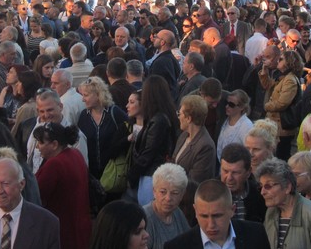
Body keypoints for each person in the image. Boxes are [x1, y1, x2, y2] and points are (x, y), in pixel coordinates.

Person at [156, 179, 280, 249]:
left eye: (217, 216)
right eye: (204, 216)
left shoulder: (255, 235)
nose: (211, 225)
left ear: (232, 210)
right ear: (195, 211)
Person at [33, 123, 91, 249]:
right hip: (78, 236)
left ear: (55, 144)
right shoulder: (75, 155)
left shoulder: (54, 165)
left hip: (60, 240)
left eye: (41, 143)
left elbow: (37, 196)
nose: (38, 147)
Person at [129, 75, 178, 205]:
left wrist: (133, 174)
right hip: (153, 173)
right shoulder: (162, 116)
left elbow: (149, 152)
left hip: (151, 175)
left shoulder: (158, 120)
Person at [139, 164, 190, 249]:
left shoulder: (177, 213)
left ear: (182, 195)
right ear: (154, 191)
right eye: (163, 192)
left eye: (175, 193)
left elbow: (189, 243)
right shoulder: (146, 218)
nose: (168, 198)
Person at [77, 76, 129, 180]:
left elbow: (128, 134)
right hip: (91, 174)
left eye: (86, 95)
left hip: (113, 173)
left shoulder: (115, 112)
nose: (83, 99)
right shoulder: (83, 116)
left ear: (98, 95)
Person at [260, 50, 304, 161]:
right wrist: (264, 70)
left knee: (280, 157)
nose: (277, 61)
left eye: (281, 59)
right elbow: (267, 86)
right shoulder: (282, 77)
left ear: (289, 62)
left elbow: (282, 103)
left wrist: (267, 106)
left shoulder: (290, 80)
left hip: (283, 128)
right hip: (276, 125)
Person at [173, 95, 215, 183]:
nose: (178, 117)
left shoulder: (206, 146)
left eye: (179, 114)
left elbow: (195, 181)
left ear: (188, 118)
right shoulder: (183, 135)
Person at [220, 143, 267, 223]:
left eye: (235, 173)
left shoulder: (260, 195)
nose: (229, 178)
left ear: (248, 172)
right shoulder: (207, 193)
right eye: (225, 171)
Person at [216, 89, 254, 161]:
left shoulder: (247, 126)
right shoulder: (224, 121)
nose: (227, 106)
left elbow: (249, 151)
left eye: (231, 105)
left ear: (241, 107)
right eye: (226, 103)